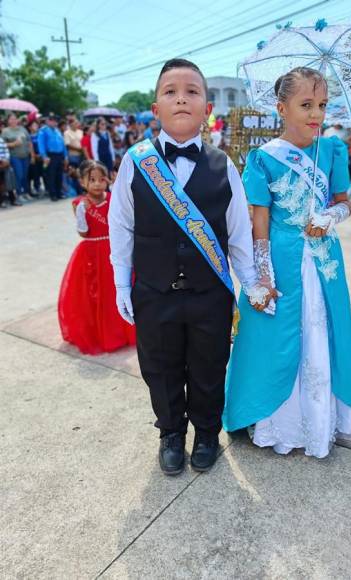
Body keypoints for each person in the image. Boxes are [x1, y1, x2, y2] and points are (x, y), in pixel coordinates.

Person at [109, 58, 266, 476]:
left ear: (207, 108)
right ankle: (171, 433)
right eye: (171, 91)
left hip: (209, 293)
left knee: (210, 366)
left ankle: (207, 432)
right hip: (154, 291)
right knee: (159, 368)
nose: (182, 98)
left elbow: (237, 234)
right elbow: (120, 226)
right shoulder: (135, 161)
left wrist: (250, 282)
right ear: (155, 108)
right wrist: (122, 284)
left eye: (193, 91)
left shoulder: (224, 166)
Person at [223, 67, 351, 459]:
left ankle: (321, 422)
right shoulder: (263, 158)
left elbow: (343, 202)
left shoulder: (333, 150)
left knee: (323, 331)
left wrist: (331, 217)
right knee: (278, 334)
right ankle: (276, 422)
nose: (316, 114)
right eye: (305, 105)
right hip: (283, 259)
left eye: (321, 105)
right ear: (281, 107)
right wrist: (263, 275)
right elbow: (259, 222)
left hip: (325, 261)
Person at [58, 160, 136, 354]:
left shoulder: (113, 198)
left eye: (101, 179)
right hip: (91, 253)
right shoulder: (80, 204)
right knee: (94, 293)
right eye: (91, 180)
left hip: (114, 249)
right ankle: (100, 333)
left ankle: (122, 330)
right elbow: (83, 232)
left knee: (116, 291)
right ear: (83, 182)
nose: (97, 184)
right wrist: (82, 213)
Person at [2, 113, 34, 201]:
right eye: (11, 119)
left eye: (15, 119)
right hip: (15, 156)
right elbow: (2, 144)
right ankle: (19, 194)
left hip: (25, 155)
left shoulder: (23, 129)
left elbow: (29, 142)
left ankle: (26, 193)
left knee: (25, 175)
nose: (13, 121)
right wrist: (14, 144)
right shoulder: (5, 131)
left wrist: (32, 155)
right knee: (19, 175)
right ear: (8, 121)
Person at [38, 113, 67, 202]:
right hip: (50, 155)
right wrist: (44, 156)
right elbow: (41, 144)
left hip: (59, 155)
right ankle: (53, 194)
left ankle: (59, 193)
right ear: (48, 121)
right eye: (53, 120)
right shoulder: (43, 131)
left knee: (59, 175)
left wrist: (65, 156)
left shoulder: (57, 131)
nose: (55, 122)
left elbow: (63, 144)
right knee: (51, 175)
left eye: (55, 121)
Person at [27, 120, 44, 196]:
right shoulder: (29, 136)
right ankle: (36, 188)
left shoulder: (41, 135)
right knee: (35, 173)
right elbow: (29, 147)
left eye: (36, 125)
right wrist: (34, 156)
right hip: (34, 157)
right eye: (34, 125)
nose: (35, 127)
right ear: (30, 127)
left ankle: (46, 188)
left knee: (44, 173)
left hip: (42, 157)